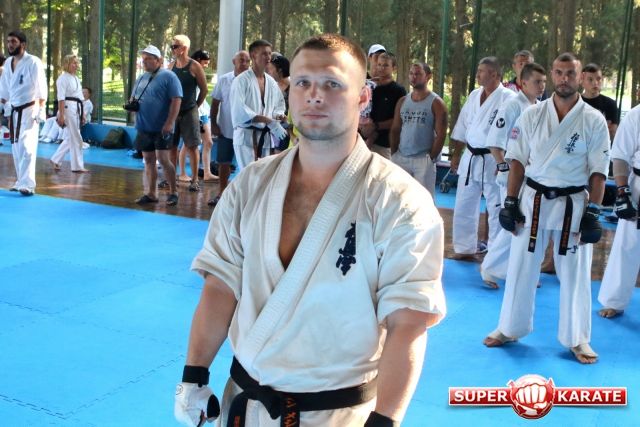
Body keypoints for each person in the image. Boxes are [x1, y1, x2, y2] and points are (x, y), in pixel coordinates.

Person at [174, 33, 446, 427]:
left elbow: (408, 324)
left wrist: (385, 421)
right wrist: (194, 374)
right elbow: (220, 285)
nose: (314, 96)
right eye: (303, 82)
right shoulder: (250, 184)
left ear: (362, 97)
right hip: (245, 403)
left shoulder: (401, 202)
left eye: (332, 84)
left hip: (336, 414)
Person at [483, 53, 610, 364]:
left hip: (572, 204)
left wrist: (594, 212)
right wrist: (510, 202)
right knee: (520, 267)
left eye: (571, 73)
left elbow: (598, 171)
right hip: (534, 199)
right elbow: (516, 160)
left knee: (575, 273)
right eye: (559, 72)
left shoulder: (593, 119)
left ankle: (578, 338)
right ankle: (509, 328)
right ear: (552, 75)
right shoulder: (532, 114)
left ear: (580, 78)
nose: (564, 78)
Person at [479, 63, 547, 289]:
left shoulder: (540, 107)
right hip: (512, 175)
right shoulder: (512, 106)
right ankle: (490, 266)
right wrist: (503, 168)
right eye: (537, 81)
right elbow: (494, 141)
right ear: (523, 82)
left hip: (532, 174)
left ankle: (513, 269)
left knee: (523, 224)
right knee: (515, 222)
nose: (541, 86)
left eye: (544, 82)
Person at [449, 57, 516, 257]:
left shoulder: (508, 98)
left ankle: (495, 253)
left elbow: (514, 133)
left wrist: (504, 161)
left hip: (494, 159)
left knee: (496, 207)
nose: (477, 74)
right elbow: (463, 126)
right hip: (471, 157)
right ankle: (464, 248)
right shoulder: (474, 95)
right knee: (464, 204)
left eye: (481, 71)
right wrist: (456, 153)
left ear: (494, 74)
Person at [597, 104, 640, 319]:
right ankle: (614, 300)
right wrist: (623, 193)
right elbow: (621, 156)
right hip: (639, 184)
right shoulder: (636, 115)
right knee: (628, 244)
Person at [129, 45, 182, 206]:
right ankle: (151, 193)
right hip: (144, 125)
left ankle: (174, 191)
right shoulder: (141, 78)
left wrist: (170, 122)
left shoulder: (169, 76)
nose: (144, 62)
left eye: (148, 59)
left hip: (162, 126)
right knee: (148, 159)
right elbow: (133, 98)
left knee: (163, 159)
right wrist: (132, 106)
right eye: (143, 59)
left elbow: (176, 99)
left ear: (158, 60)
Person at [389, 62, 448, 197]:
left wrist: (430, 158)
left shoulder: (436, 103)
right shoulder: (403, 101)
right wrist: (394, 154)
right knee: (398, 199)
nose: (413, 77)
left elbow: (441, 134)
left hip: (423, 159)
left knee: (424, 200)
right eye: (411, 73)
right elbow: (395, 129)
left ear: (428, 77)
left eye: (418, 73)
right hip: (401, 157)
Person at [0, 31, 47, 196]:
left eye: (13, 41)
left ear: (23, 44)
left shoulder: (33, 61)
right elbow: (5, 89)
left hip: (29, 109)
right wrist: (4, 107)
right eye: (8, 41)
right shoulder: (8, 63)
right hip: (13, 110)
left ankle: (28, 184)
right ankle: (21, 181)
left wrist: (41, 108)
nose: (10, 44)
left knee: (27, 146)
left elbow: (41, 85)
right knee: (16, 147)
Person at [229, 39, 287, 172]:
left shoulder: (271, 82)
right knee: (249, 176)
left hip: (265, 137)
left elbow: (279, 104)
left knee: (262, 177)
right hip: (246, 137)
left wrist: (279, 115)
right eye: (264, 53)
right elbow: (239, 110)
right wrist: (268, 121)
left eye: (269, 53)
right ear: (253, 56)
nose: (268, 57)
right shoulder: (241, 81)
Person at [207, 51, 250, 208]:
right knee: (223, 162)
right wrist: (214, 124)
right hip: (226, 129)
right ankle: (222, 193)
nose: (244, 64)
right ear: (234, 61)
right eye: (241, 60)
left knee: (246, 164)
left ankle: (244, 197)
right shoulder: (224, 80)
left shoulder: (253, 81)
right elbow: (215, 103)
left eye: (247, 61)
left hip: (246, 131)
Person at [166, 35, 208, 192]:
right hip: (173, 112)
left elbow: (204, 90)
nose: (172, 49)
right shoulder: (171, 66)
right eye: (171, 46)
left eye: (175, 46)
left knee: (192, 145)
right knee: (172, 146)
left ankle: (195, 180)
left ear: (184, 48)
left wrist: (195, 106)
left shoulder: (194, 66)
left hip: (189, 111)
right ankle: (172, 178)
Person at [179, 49, 218, 183]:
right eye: (205, 63)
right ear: (198, 61)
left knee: (208, 142)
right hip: (194, 111)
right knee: (187, 144)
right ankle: (182, 173)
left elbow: (203, 91)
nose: (206, 66)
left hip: (202, 112)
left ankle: (207, 172)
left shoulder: (198, 71)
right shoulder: (191, 71)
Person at [360, 52, 407, 159]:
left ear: (393, 68)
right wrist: (362, 127)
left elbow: (398, 119)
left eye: (386, 65)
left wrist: (375, 126)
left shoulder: (398, 90)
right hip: (361, 141)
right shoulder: (369, 86)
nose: (381, 68)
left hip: (383, 145)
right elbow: (356, 109)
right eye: (379, 64)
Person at [49, 55, 89, 173]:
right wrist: (61, 115)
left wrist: (83, 113)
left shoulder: (76, 78)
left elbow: (81, 98)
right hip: (67, 108)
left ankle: (56, 159)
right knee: (76, 137)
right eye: (74, 63)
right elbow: (61, 98)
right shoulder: (62, 78)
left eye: (77, 63)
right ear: (67, 64)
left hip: (76, 108)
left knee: (70, 137)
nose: (76, 65)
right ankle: (77, 166)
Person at [581, 63, 618, 142]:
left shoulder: (610, 104)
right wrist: (602, 126)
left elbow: (612, 133)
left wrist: (585, 128)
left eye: (598, 79)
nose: (595, 83)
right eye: (590, 79)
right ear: (582, 81)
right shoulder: (575, 103)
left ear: (602, 79)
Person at [267, 54, 292, 154]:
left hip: (286, 131)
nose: (268, 71)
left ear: (280, 70)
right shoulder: (271, 87)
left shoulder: (293, 88)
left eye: (270, 68)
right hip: (271, 128)